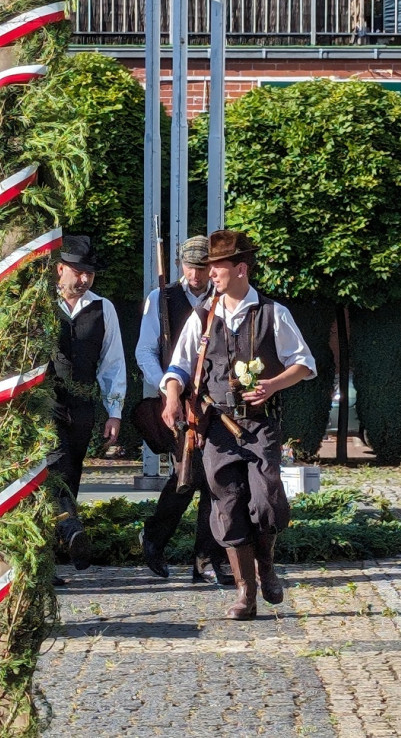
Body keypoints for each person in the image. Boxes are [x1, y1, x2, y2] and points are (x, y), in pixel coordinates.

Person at [161, 230, 316, 620]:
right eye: (209, 267)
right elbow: (178, 365)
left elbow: (304, 363)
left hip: (260, 425)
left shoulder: (272, 313)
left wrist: (274, 385)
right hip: (215, 428)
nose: (210, 274)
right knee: (226, 507)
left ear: (241, 268)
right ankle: (245, 593)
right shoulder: (203, 315)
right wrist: (172, 396)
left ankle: (266, 566)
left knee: (265, 502)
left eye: (218, 267)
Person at [135, 235, 233, 585]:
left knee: (213, 479)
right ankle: (154, 540)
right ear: (180, 265)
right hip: (179, 403)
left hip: (214, 403)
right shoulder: (160, 298)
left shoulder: (222, 299)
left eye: (203, 267)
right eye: (190, 266)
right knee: (185, 477)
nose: (196, 274)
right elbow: (145, 350)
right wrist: (168, 388)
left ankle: (205, 559)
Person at [49, 235, 126, 571]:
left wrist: (115, 412)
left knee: (72, 472)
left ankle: (57, 547)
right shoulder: (40, 304)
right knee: (56, 466)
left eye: (89, 275)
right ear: (60, 269)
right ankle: (71, 530)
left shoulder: (103, 308)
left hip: (82, 405)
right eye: (78, 272)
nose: (83, 280)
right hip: (46, 402)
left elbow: (113, 363)